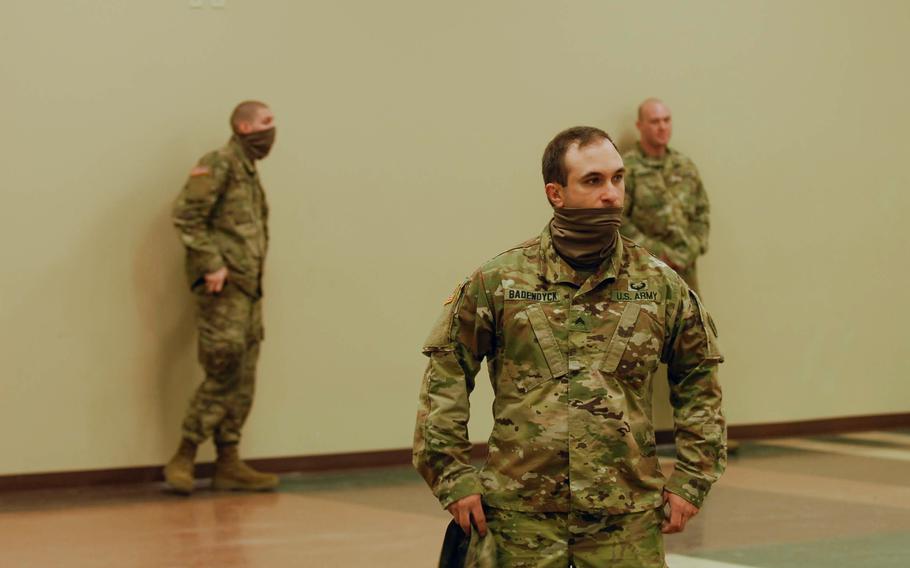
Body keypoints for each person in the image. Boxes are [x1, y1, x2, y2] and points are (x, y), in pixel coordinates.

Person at [413, 126, 726, 566]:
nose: (612, 194)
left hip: (626, 519)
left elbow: (699, 375)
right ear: (555, 193)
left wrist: (692, 478)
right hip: (521, 519)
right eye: (593, 180)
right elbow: (446, 373)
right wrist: (453, 477)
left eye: (618, 178)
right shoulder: (501, 282)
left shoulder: (658, 284)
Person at [164, 100, 278, 494]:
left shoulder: (248, 172)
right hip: (223, 291)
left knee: (244, 374)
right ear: (244, 127)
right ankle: (184, 454)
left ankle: (228, 461)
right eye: (266, 122)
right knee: (224, 367)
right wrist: (212, 262)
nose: (272, 129)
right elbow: (186, 215)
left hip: (249, 293)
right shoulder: (218, 163)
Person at [620, 98, 709, 293]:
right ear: (640, 126)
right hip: (645, 274)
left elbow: (702, 212)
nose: (662, 127)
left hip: (686, 273)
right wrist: (657, 253)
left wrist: (691, 248)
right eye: (655, 121)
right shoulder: (627, 169)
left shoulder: (684, 166)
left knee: (691, 322)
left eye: (666, 120)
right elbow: (617, 220)